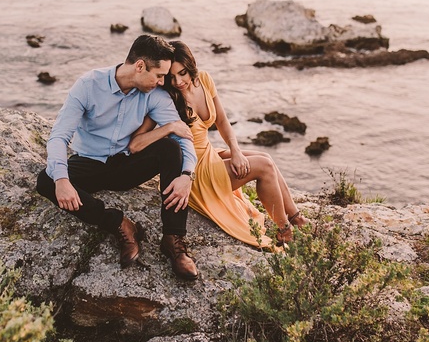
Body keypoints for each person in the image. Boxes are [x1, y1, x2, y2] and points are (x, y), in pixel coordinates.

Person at [35, 34, 199, 280]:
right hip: (89, 162)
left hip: (126, 165)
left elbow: (183, 138)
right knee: (47, 180)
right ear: (140, 66)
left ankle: (173, 238)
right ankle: (119, 224)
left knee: (170, 149)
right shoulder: (88, 85)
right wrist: (62, 180)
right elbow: (59, 136)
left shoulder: (155, 95)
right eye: (159, 75)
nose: (162, 82)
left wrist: (187, 175)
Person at [128, 42, 307, 249]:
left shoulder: (204, 80)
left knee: (266, 158)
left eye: (183, 73)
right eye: (172, 76)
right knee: (264, 167)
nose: (178, 81)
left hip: (209, 153)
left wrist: (235, 150)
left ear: (191, 66)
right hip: (192, 170)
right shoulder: (166, 98)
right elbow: (135, 143)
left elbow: (221, 120)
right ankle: (285, 231)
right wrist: (168, 128)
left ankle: (296, 218)